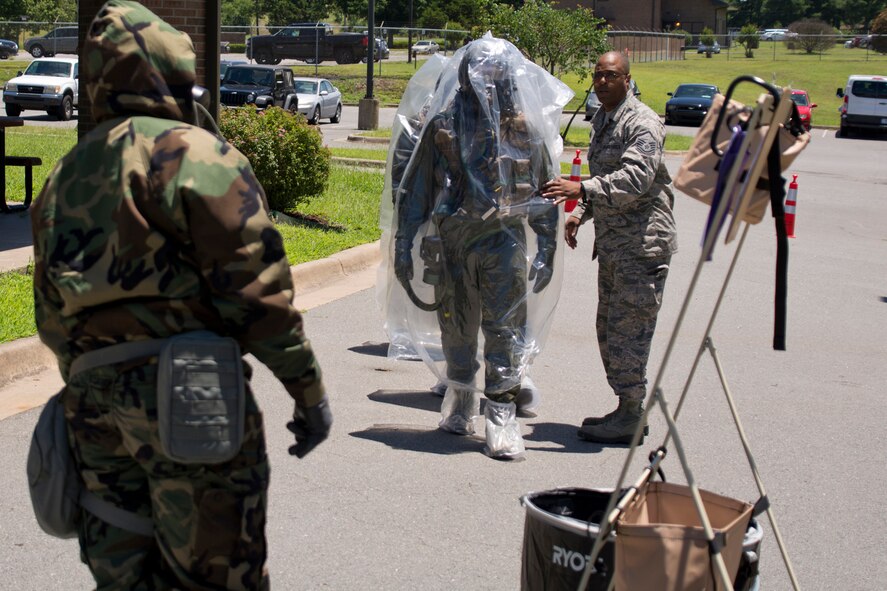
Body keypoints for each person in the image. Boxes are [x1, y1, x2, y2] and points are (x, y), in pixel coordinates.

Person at [30, 2, 331, 588]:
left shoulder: (64, 175)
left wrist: (92, 379)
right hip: (190, 390)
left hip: (92, 402)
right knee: (216, 575)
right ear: (172, 71)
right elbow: (258, 292)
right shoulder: (194, 154)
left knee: (121, 575)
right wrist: (307, 392)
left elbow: (50, 314)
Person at [390, 35, 572, 460]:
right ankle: (461, 399)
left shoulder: (523, 129)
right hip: (453, 243)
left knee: (504, 329)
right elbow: (416, 189)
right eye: (480, 71)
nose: (487, 80)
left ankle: (502, 415)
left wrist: (546, 244)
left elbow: (545, 191)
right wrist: (403, 243)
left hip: (503, 242)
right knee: (457, 327)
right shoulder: (444, 125)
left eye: (495, 72)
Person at [543, 50, 677, 445]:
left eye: (611, 76)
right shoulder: (603, 118)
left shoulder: (643, 123)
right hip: (616, 244)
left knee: (630, 333)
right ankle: (626, 407)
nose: (602, 82)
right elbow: (605, 174)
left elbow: (635, 178)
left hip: (643, 246)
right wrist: (579, 213)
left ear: (628, 79)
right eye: (598, 75)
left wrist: (580, 189)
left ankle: (632, 415)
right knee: (609, 329)